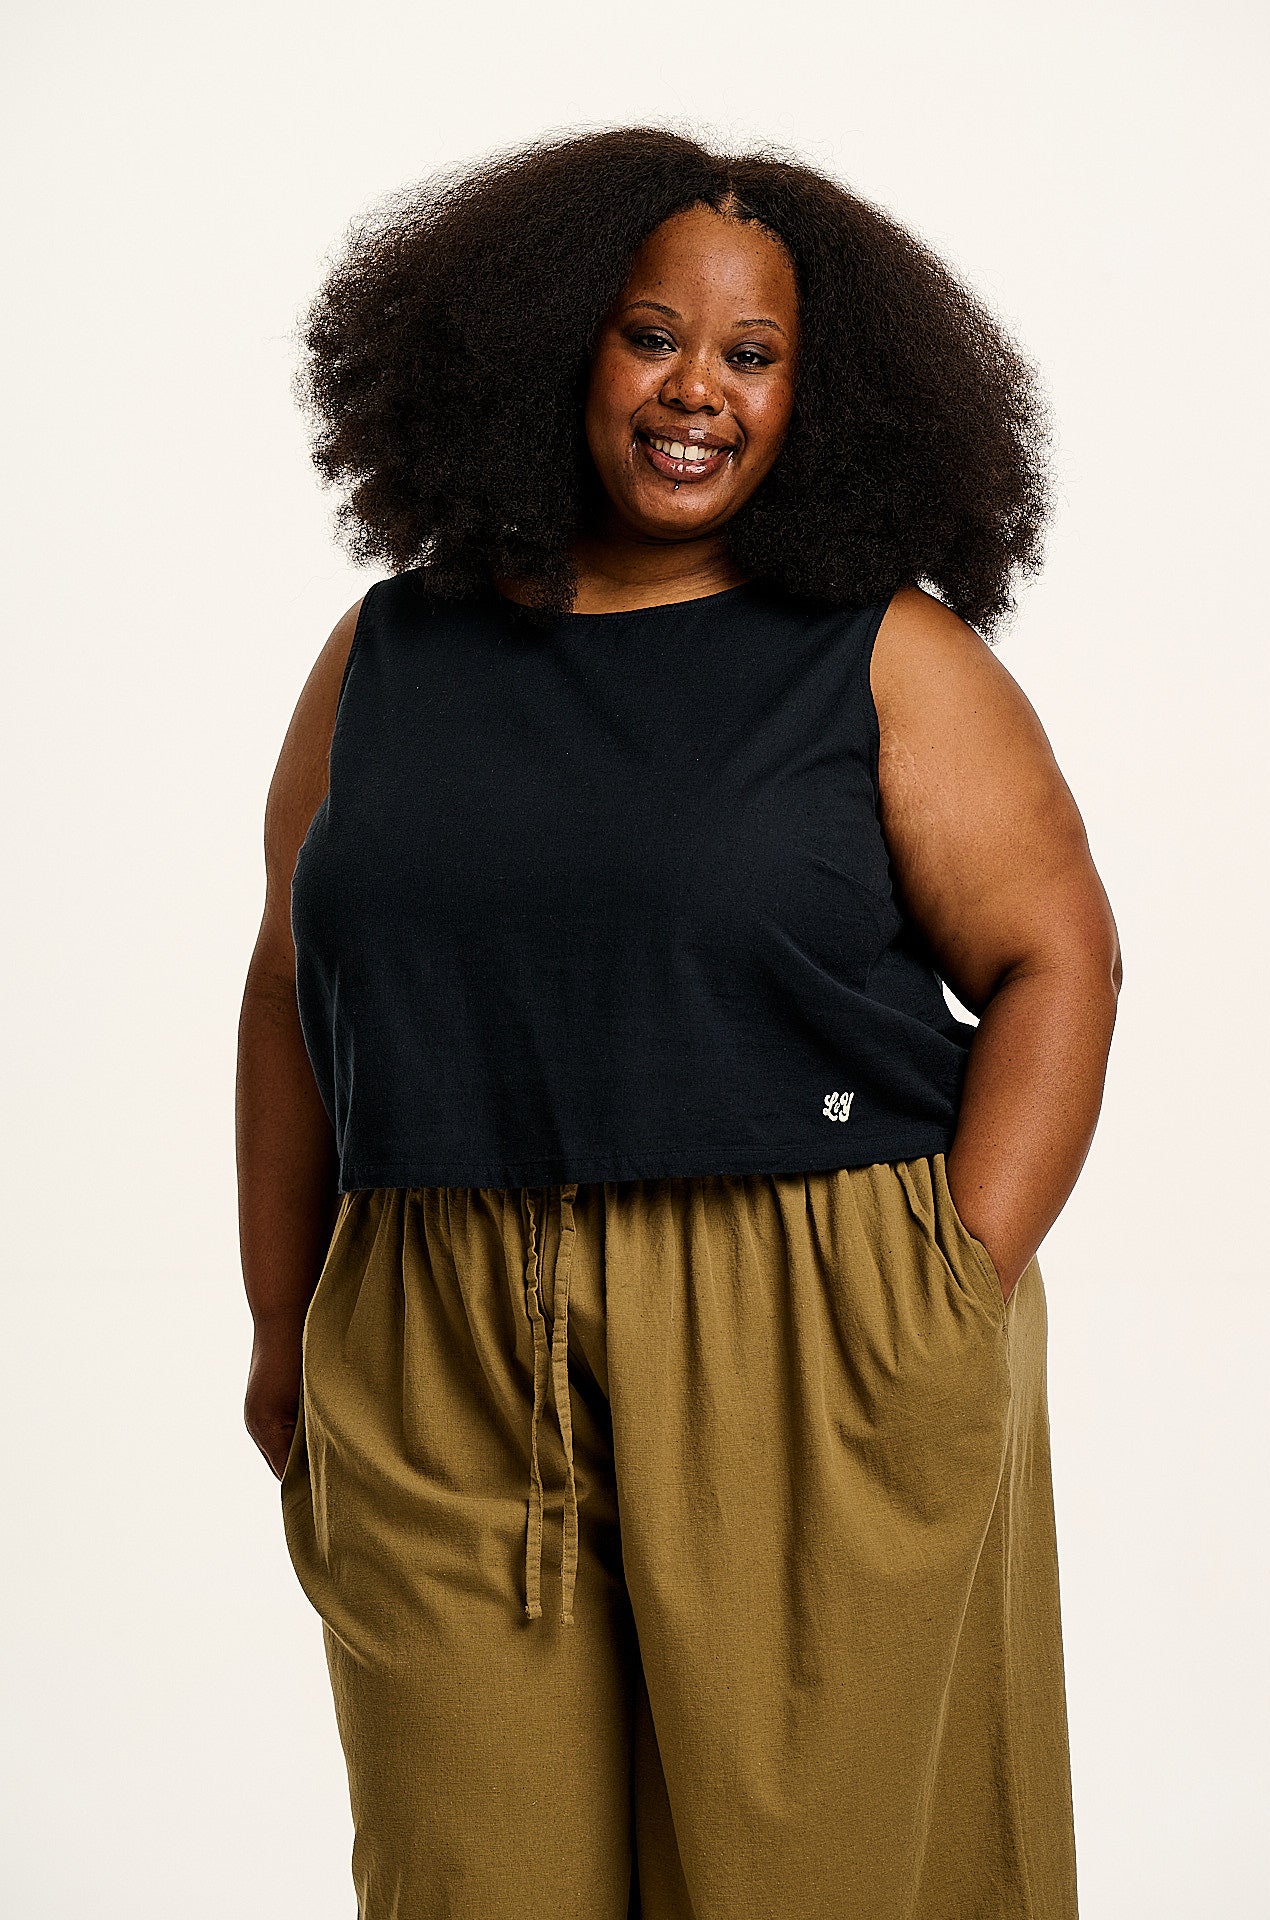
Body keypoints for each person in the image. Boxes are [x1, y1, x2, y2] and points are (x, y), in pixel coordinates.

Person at [237, 125, 1121, 1920]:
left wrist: (949, 1289)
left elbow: (1059, 958)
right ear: (553, 347)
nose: (695, 390)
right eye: (651, 336)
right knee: (469, 1875)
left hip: (805, 1310)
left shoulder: (883, 654)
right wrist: (284, 1320)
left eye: (752, 354)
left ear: (816, 397)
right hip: (432, 1323)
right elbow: (287, 988)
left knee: (821, 1882)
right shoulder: (385, 656)